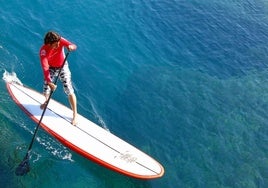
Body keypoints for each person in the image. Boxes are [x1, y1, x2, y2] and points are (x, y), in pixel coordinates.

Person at [39, 31, 78, 125]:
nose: (58, 45)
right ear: (49, 44)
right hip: (51, 67)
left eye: (59, 43)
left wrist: (71, 47)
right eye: (56, 44)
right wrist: (49, 82)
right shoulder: (43, 51)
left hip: (62, 66)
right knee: (45, 89)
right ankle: (46, 101)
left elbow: (73, 45)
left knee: (68, 88)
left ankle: (75, 115)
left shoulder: (60, 40)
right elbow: (45, 68)